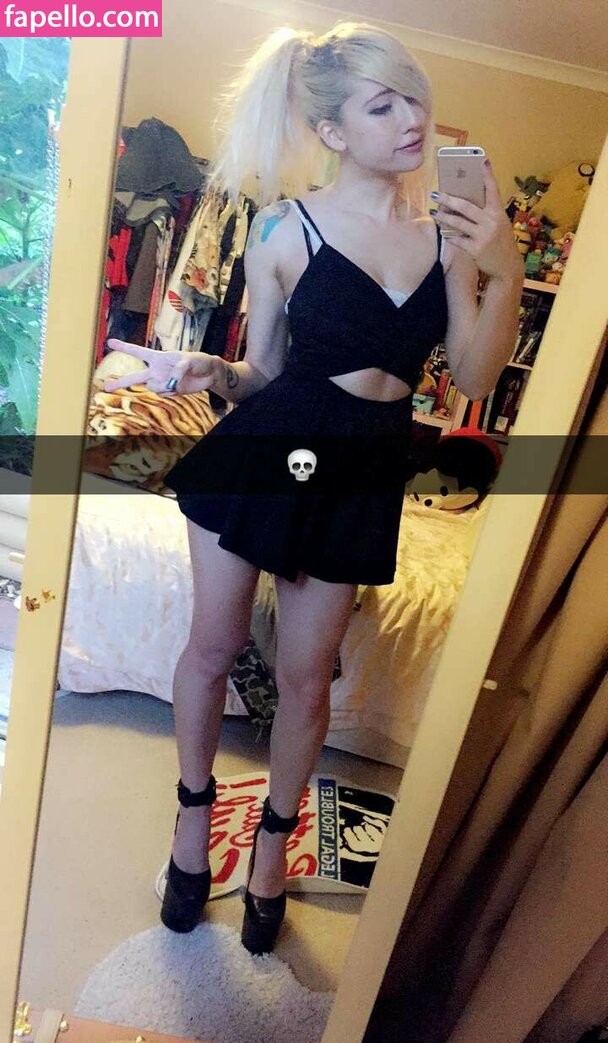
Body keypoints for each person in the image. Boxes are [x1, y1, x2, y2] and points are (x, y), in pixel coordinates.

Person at [107, 21, 524, 955]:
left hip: (363, 471)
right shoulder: (282, 229)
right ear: (333, 131)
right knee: (213, 648)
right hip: (268, 449)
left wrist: (505, 269)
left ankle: (272, 848)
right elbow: (263, 372)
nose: (412, 119)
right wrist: (214, 375)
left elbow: (472, 375)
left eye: (415, 98)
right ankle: (190, 823)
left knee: (305, 678)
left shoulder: (450, 240)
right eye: (384, 105)